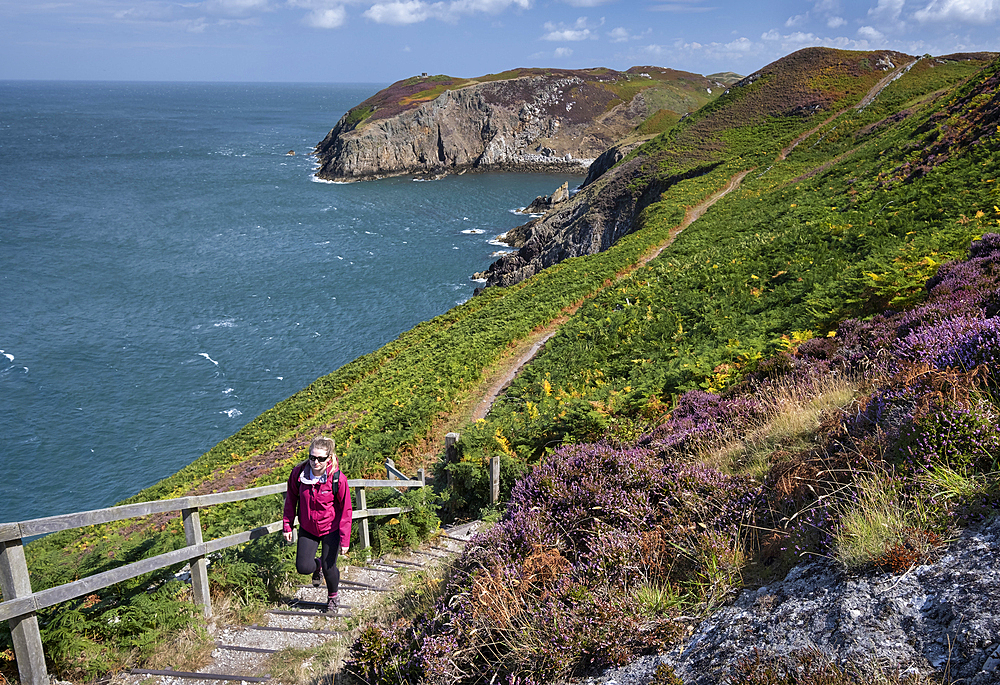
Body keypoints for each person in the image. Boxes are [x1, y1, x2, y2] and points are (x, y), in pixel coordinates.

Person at [282, 436, 352, 613]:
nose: (315, 462)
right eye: (312, 457)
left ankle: (333, 599)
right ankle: (317, 565)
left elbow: (346, 509)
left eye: (321, 458)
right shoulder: (299, 474)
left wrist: (345, 540)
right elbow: (291, 499)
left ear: (329, 458)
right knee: (303, 567)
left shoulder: (337, 478)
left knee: (330, 568)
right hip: (308, 527)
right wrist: (287, 525)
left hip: (331, 528)